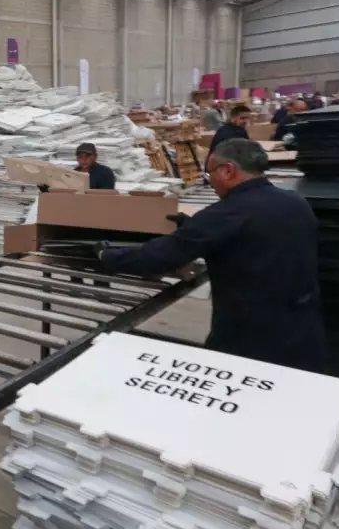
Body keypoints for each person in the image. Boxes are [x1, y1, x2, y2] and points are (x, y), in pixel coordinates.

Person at [99, 139, 327, 373]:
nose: (210, 182)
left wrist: (108, 256)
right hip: (303, 332)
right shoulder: (296, 202)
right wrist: (192, 226)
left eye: (210, 174)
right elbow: (255, 235)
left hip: (250, 339)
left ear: (228, 170)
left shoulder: (224, 214)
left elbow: (160, 256)